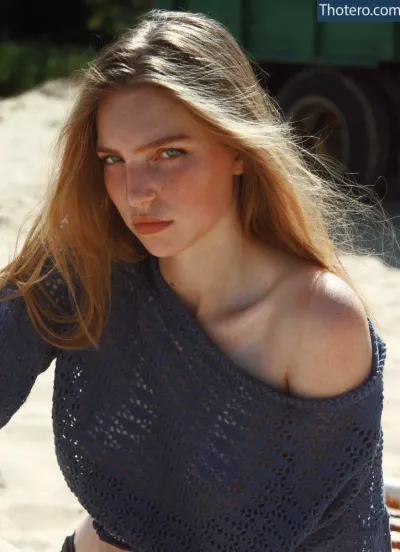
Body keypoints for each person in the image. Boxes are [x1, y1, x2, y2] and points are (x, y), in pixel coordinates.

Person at [0, 8, 393, 552]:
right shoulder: (87, 264)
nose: (137, 192)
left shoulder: (315, 321)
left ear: (236, 148)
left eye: (169, 153)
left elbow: (324, 535)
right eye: (114, 159)